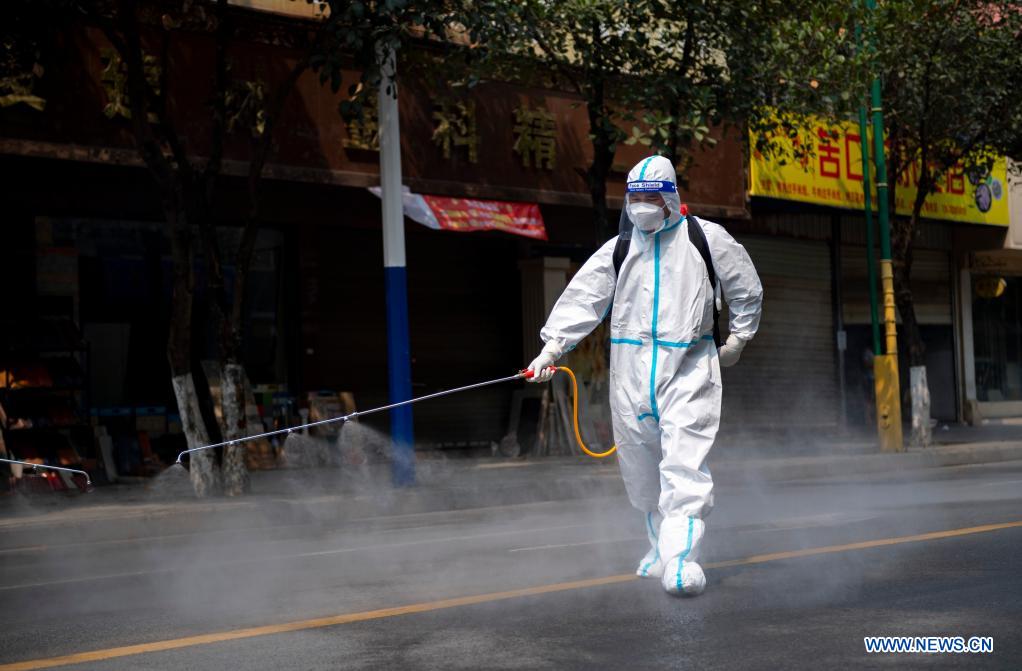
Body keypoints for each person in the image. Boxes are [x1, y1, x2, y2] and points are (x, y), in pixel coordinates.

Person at [526, 155, 763, 596]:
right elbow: (583, 299)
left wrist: (738, 339)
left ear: (671, 198)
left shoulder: (704, 240)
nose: (641, 207)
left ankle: (681, 563)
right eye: (634, 198)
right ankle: (661, 547)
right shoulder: (620, 248)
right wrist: (551, 348)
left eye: (650, 198)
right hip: (630, 379)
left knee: (683, 467)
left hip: (688, 371)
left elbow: (746, 288)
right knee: (641, 473)